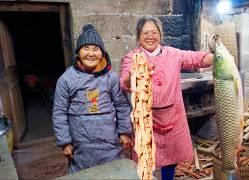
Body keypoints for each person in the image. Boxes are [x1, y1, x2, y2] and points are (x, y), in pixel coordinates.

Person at [120, 16, 214, 180]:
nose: (150, 36)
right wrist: (132, 74)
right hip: (146, 120)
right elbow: (124, 84)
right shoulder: (132, 57)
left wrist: (218, 56)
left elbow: (197, 58)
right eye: (145, 33)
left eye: (154, 32)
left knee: (171, 158)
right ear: (138, 36)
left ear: (160, 35)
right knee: (146, 159)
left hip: (173, 116)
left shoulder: (173, 54)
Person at [52, 24, 132, 173]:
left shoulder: (111, 77)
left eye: (96, 49)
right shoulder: (67, 79)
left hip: (110, 144)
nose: (91, 53)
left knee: (113, 173)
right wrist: (64, 142)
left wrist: (125, 132)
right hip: (81, 146)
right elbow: (59, 112)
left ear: (102, 53)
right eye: (86, 48)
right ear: (78, 52)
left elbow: (122, 105)